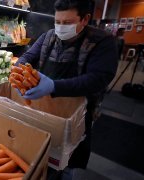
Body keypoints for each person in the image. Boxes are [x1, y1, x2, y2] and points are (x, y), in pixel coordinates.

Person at [15, 0, 118, 175]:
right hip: (44, 107)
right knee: (39, 154)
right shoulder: (48, 37)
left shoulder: (102, 42)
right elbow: (27, 57)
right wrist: (18, 75)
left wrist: (54, 86)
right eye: (58, 22)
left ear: (85, 19)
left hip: (76, 113)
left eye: (67, 23)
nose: (60, 27)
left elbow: (98, 79)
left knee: (64, 163)